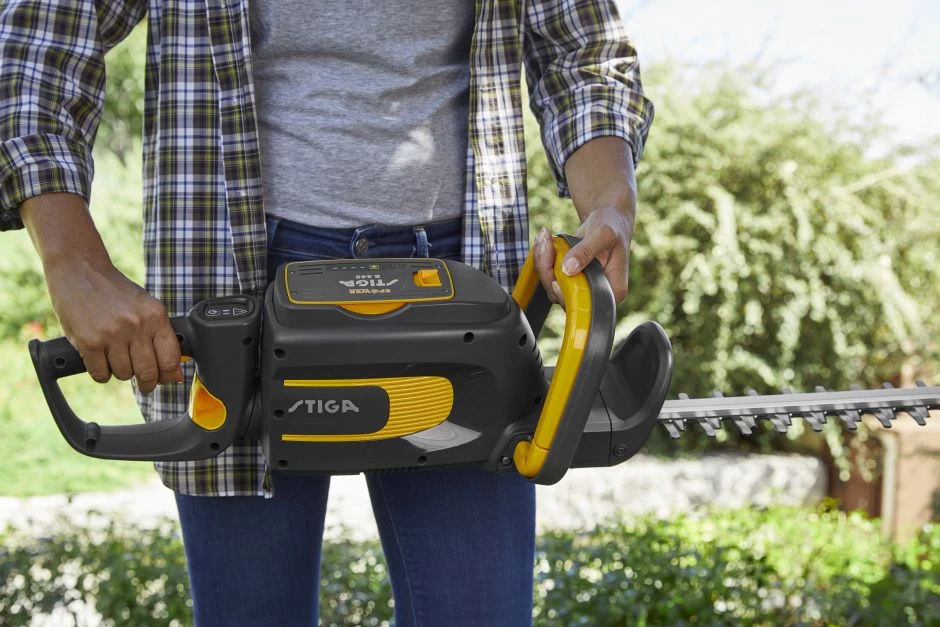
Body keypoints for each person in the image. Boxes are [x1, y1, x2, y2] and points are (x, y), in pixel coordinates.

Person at [0, 1, 653, 625]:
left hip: (465, 287)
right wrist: (72, 261)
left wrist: (610, 204)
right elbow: (39, 42)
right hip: (236, 275)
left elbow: (583, 50)